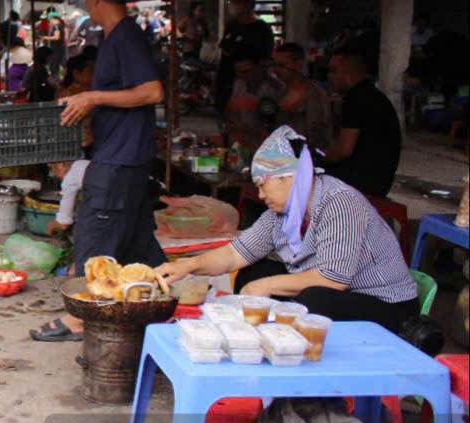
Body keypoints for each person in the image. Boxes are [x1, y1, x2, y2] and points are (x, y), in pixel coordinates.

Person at [157, 125, 420, 333]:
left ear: (288, 177)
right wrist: (186, 267)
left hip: (387, 306)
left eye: (262, 184)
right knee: (254, 270)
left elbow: (332, 280)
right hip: (345, 296)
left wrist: (266, 285)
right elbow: (235, 254)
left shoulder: (339, 201)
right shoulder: (282, 213)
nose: (260, 194)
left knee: (315, 300)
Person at [57, 0, 166, 270]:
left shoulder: (125, 36)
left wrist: (93, 98)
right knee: (136, 248)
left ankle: (81, 317)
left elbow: (152, 91)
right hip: (122, 156)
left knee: (93, 248)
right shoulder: (113, 37)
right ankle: (159, 307)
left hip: (119, 160)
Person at [322, 49, 402, 197]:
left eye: (334, 71)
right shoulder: (373, 95)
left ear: (349, 73)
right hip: (379, 179)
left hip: (363, 182)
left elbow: (343, 151)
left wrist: (320, 157)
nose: (329, 77)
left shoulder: (356, 98)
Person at [30, 158, 91, 342]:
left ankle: (80, 316)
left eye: (53, 169)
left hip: (107, 213)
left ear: (63, 165)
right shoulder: (85, 164)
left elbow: (64, 222)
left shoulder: (72, 176)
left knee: (81, 232)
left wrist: (51, 226)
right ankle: (74, 266)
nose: (53, 174)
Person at [216, 0, 274, 113]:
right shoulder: (232, 25)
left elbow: (266, 61)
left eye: (236, 1)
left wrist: (251, 68)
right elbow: (225, 52)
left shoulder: (262, 29)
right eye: (230, 0)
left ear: (248, 4)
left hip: (249, 87)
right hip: (226, 83)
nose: (231, 4)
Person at [271, 42, 333, 148]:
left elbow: (317, 133)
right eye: (275, 65)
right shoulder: (280, 90)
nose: (276, 70)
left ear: (298, 64)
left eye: (282, 65)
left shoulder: (313, 93)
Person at [57, 50, 96, 154]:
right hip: (80, 143)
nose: (94, 74)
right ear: (76, 73)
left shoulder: (90, 91)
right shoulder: (70, 94)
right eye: (91, 71)